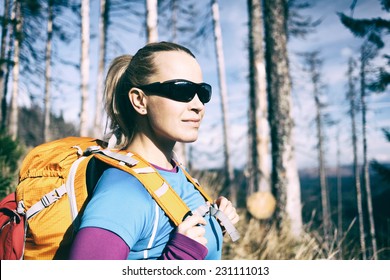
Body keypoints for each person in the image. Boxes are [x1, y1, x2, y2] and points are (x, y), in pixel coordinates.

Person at [69, 41, 239, 260]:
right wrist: (178, 258)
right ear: (140, 101)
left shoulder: (175, 173)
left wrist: (214, 226)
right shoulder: (124, 191)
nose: (199, 105)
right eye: (182, 89)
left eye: (202, 92)